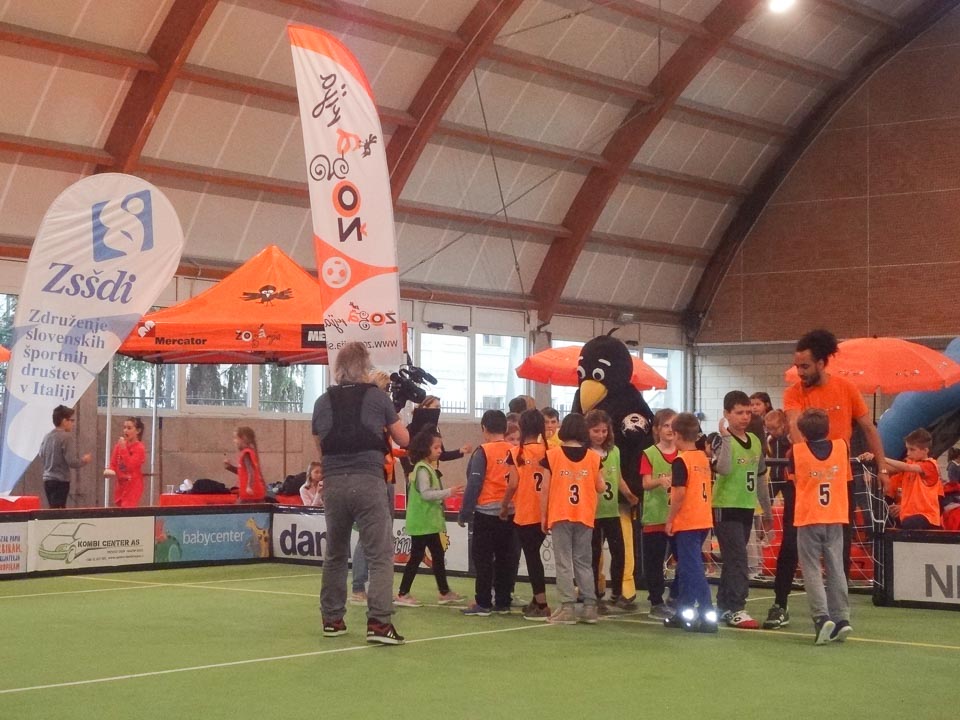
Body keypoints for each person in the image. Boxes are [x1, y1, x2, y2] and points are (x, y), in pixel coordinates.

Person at [765, 328, 888, 631]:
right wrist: (806, 462)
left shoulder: (846, 388)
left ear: (821, 363)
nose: (799, 371)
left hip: (840, 481)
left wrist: (883, 468)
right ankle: (780, 604)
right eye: (797, 365)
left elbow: (868, 428)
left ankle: (838, 613)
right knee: (791, 543)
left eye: (805, 366)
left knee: (839, 548)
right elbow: (795, 427)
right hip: (804, 480)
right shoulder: (794, 392)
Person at [312, 341, 409, 645]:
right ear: (365, 366)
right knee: (379, 553)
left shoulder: (322, 401)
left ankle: (332, 619)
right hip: (368, 480)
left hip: (334, 483)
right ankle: (379, 623)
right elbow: (403, 439)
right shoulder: (377, 397)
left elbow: (320, 446)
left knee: (335, 553)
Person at [791, 408, 853, 644]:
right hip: (835, 515)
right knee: (836, 568)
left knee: (812, 569)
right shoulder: (842, 447)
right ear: (828, 428)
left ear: (802, 431)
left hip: (809, 516)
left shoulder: (796, 451)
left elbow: (795, 480)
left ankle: (821, 617)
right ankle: (842, 618)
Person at [712, 391, 771, 629]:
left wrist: (766, 511)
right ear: (727, 414)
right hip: (725, 507)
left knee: (732, 560)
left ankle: (724, 606)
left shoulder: (755, 441)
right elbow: (724, 469)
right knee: (738, 558)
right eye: (739, 413)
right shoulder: (721, 441)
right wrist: (726, 437)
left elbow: (760, 478)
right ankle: (737, 607)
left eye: (748, 412)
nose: (745, 417)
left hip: (747, 507)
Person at [539, 413, 605, 625]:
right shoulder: (593, 457)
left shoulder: (552, 455)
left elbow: (545, 489)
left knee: (564, 561)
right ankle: (590, 607)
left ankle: (567, 607)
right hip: (585, 514)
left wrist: (543, 515)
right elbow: (601, 487)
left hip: (560, 513)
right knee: (583, 561)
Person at [395, 426, 465, 606]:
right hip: (422, 522)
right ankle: (403, 593)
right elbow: (426, 494)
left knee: (437, 554)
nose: (440, 451)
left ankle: (444, 591)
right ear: (425, 449)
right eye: (436, 447)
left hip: (428, 522)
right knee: (417, 557)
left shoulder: (426, 468)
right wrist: (448, 492)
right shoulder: (422, 470)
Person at [663, 412, 718, 633]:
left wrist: (670, 519)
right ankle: (682, 612)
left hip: (687, 521)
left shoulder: (681, 461)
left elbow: (679, 494)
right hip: (703, 518)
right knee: (686, 569)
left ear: (676, 435)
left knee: (692, 569)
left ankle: (707, 613)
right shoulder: (702, 458)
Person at [458, 410, 515, 616]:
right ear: (505, 428)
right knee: (505, 558)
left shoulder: (483, 451)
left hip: (486, 512)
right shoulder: (514, 450)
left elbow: (474, 483)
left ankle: (483, 602)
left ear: (484, 428)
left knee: (483, 559)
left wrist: (465, 511)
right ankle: (503, 601)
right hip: (510, 511)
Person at [500, 409, 551, 620]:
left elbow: (512, 484)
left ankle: (542, 603)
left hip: (525, 512)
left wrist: (504, 506)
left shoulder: (516, 453)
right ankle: (536, 599)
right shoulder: (550, 450)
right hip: (546, 512)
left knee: (532, 558)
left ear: (522, 428)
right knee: (534, 554)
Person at [585, 409, 637, 614]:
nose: (600, 435)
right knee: (594, 555)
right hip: (593, 513)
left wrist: (629, 495)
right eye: (596, 431)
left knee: (619, 552)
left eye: (604, 431)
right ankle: (594, 595)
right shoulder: (585, 453)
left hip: (611, 511)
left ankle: (617, 592)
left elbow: (618, 478)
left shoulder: (614, 451)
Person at [639, 408, 679, 620]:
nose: (670, 429)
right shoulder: (650, 453)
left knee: (684, 559)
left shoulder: (683, 453)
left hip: (678, 517)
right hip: (655, 515)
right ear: (657, 429)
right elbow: (645, 483)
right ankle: (656, 601)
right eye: (666, 425)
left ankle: (676, 595)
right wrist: (659, 481)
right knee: (654, 562)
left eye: (673, 425)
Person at [879, 429, 942, 530]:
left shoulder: (930, 465)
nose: (908, 453)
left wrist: (881, 458)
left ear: (925, 450)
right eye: (907, 449)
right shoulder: (910, 464)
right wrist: (874, 460)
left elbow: (907, 467)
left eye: (912, 450)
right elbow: (889, 469)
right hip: (908, 515)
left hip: (926, 517)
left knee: (909, 523)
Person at [39, 404, 92, 509]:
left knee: (52, 509)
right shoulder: (66, 437)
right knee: (59, 511)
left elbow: (41, 454)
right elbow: (71, 461)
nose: (73, 424)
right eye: (71, 420)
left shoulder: (47, 437)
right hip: (60, 481)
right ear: (64, 421)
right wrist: (84, 460)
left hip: (47, 480)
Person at [110, 417, 146, 508]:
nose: (125, 430)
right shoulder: (118, 446)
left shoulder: (139, 448)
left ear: (138, 431)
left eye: (129, 428)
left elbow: (130, 466)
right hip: (121, 485)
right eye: (124, 427)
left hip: (133, 485)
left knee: (127, 508)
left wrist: (123, 449)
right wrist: (110, 470)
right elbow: (113, 463)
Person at [224, 426, 266, 503]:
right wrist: (230, 467)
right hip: (252, 493)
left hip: (250, 494)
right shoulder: (247, 453)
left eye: (236, 438)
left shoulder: (246, 453)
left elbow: (251, 471)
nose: (234, 441)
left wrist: (249, 486)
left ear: (243, 438)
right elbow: (243, 472)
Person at [764, 409, 791, 500]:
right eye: (769, 429)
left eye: (775, 428)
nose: (772, 432)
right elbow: (769, 453)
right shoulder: (770, 439)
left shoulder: (789, 438)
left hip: (786, 477)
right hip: (774, 476)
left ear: (783, 425)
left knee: (789, 501)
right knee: (767, 498)